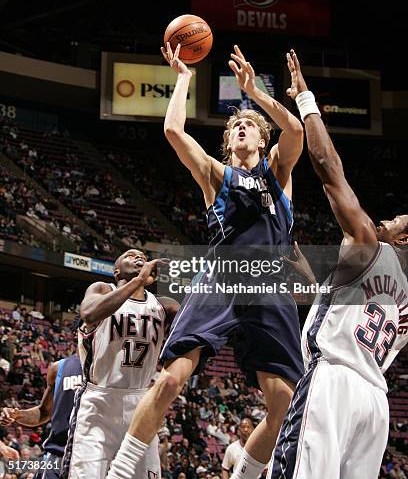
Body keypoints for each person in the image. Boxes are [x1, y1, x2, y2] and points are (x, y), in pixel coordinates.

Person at [107, 44, 305, 479]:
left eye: (248, 125)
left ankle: (246, 475)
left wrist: (256, 95)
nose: (240, 128)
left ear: (260, 138)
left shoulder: (278, 174)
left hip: (269, 286)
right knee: (173, 379)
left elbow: (295, 133)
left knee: (284, 403)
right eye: (235, 125)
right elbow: (175, 132)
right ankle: (119, 472)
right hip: (220, 279)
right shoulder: (217, 174)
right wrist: (183, 79)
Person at [268, 50, 408, 479]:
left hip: (333, 383)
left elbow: (329, 169)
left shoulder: (368, 242)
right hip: (374, 404)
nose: (384, 220)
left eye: (395, 220)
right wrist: (318, 284)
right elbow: (362, 307)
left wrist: (306, 100)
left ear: (402, 239)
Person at [61, 249, 179, 479]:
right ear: (116, 271)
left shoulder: (163, 305)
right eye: (130, 255)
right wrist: (138, 281)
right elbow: (88, 313)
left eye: (143, 257)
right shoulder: (102, 289)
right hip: (99, 402)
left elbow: (196, 318)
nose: (139, 258)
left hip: (141, 403)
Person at [1, 327, 82, 478]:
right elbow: (44, 412)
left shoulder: (109, 370)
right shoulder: (59, 367)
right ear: (78, 332)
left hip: (92, 457)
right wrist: (16, 414)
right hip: (58, 455)